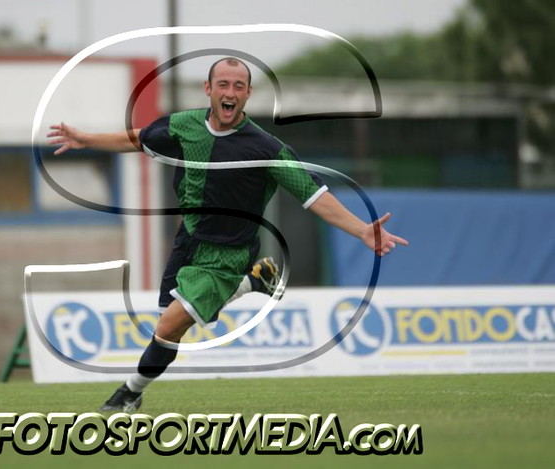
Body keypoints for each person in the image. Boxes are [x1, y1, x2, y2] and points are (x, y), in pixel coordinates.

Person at [47, 57, 408, 412]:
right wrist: (86, 139)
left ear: (248, 93)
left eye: (238, 86)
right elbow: (140, 139)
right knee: (168, 331)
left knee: (168, 323)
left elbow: (314, 196)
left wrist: (362, 229)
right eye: (223, 84)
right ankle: (252, 284)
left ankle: (127, 393)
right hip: (187, 242)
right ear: (208, 89)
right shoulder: (183, 126)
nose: (230, 92)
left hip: (228, 253)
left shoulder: (266, 149)